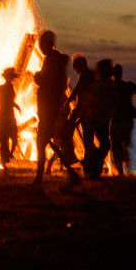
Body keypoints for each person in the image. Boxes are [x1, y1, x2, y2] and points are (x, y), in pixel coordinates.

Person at [32, 30, 80, 185]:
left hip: (48, 108)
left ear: (46, 44)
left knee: (42, 141)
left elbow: (46, 81)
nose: (40, 46)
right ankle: (72, 174)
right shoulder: (55, 60)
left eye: (41, 43)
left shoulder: (52, 60)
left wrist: (37, 76)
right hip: (50, 107)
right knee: (48, 141)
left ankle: (40, 177)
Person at [81, 59, 117, 179]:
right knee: (105, 145)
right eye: (109, 67)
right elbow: (91, 99)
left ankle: (91, 169)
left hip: (101, 119)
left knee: (103, 145)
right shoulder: (102, 83)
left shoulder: (104, 83)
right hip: (98, 119)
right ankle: (92, 169)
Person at [0, 67, 21, 169]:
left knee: (9, 138)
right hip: (6, 115)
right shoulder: (2, 88)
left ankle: (8, 155)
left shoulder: (1, 88)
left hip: (6, 115)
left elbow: (8, 100)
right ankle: (6, 159)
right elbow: (7, 101)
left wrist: (16, 106)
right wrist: (15, 106)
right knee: (8, 139)